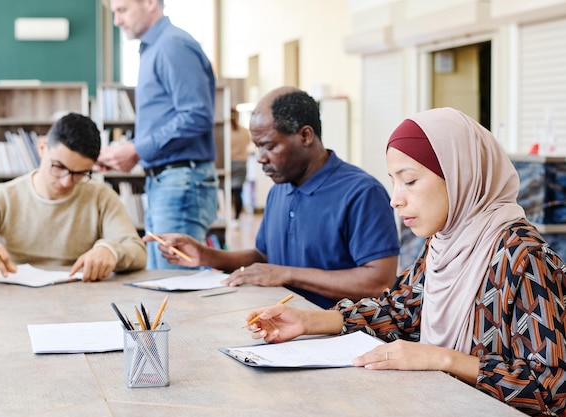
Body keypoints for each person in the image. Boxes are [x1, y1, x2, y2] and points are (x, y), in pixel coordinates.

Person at [244, 107, 566, 416]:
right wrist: (308, 322)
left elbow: (553, 387)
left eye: (409, 180)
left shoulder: (525, 258)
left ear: (459, 174)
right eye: (393, 181)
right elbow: (400, 310)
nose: (395, 198)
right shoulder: (441, 243)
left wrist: (441, 359)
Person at [147, 87, 400, 309]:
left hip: (338, 336)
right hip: (280, 326)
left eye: (269, 146)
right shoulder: (280, 188)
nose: (260, 157)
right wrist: (205, 255)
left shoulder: (362, 193)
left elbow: (378, 282)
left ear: (305, 136)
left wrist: (287, 274)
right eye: (258, 147)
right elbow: (265, 258)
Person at [0, 113, 147, 281]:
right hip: (12, 299)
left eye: (80, 173)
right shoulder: (3, 197)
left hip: (79, 297)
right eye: (59, 167)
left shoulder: (101, 197)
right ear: (41, 148)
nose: (67, 181)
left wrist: (111, 250)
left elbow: (138, 252)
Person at [98, 0, 218, 270]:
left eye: (122, 10)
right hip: (167, 180)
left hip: (180, 181)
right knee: (162, 280)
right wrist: (132, 151)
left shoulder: (172, 45)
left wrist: (138, 149)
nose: (117, 21)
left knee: (174, 285)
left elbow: (197, 115)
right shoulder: (156, 48)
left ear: (150, 3)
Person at [229, 107, 251, 224]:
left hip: (229, 163)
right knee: (238, 191)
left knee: (228, 192)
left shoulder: (226, 131)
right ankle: (236, 219)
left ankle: (227, 216)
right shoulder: (244, 131)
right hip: (241, 163)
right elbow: (249, 143)